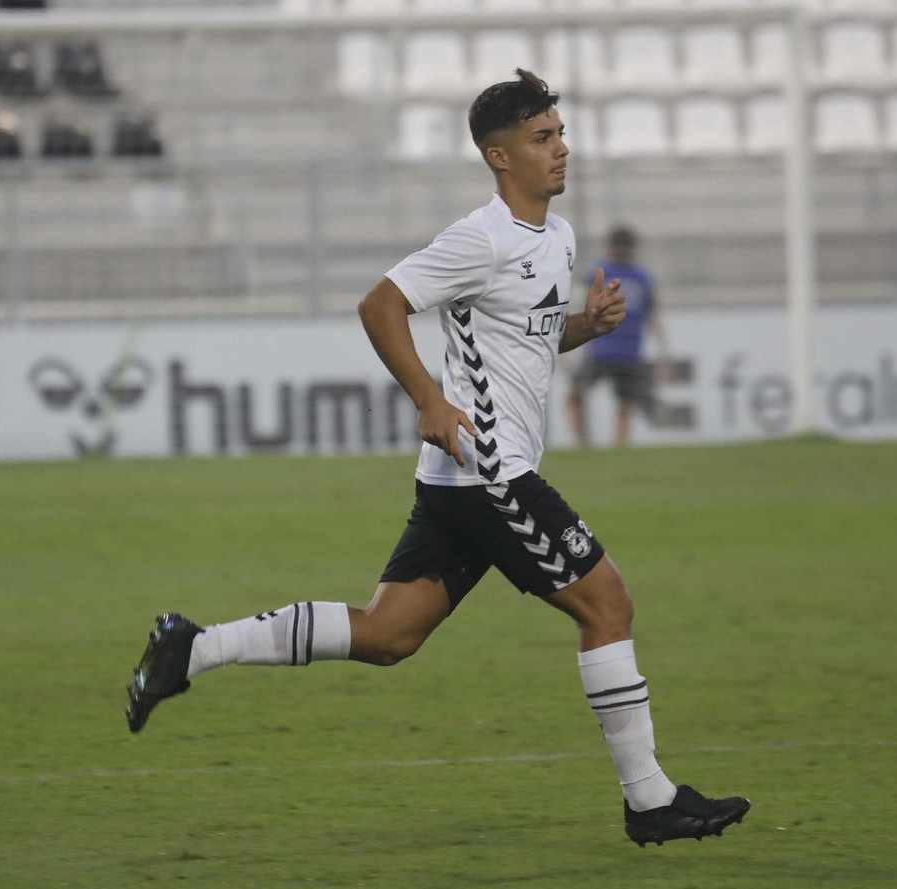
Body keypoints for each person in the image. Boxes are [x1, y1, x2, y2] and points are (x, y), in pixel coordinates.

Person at [125, 70, 749, 847]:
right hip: (491, 472)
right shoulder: (479, 237)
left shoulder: (555, 238)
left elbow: (527, 343)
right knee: (608, 604)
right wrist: (428, 397)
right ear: (499, 156)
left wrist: (587, 324)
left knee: (389, 635)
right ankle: (649, 797)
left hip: (462, 480)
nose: (561, 150)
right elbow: (379, 304)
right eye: (542, 138)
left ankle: (194, 646)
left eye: (560, 133)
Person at [566, 226, 670, 448]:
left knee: (581, 396)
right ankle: (611, 447)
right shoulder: (641, 276)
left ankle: (585, 445)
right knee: (624, 403)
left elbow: (579, 305)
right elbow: (653, 317)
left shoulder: (600, 272)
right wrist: (664, 352)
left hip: (606, 348)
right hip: (620, 350)